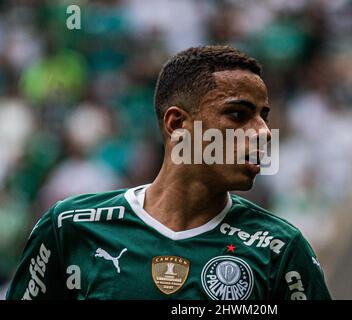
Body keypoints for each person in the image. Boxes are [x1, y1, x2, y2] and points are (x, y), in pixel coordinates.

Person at [6, 45, 331, 300]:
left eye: (264, 116)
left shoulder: (280, 249)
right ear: (177, 125)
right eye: (237, 114)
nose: (263, 132)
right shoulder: (71, 227)